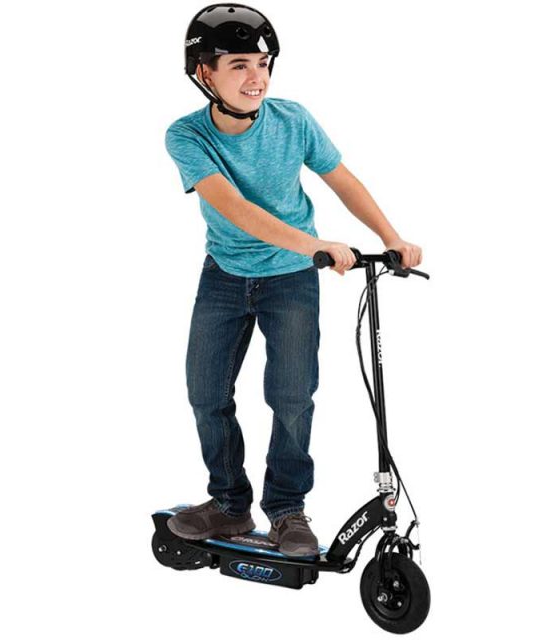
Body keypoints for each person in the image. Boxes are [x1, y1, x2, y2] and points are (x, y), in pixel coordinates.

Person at [164, 3, 423, 557]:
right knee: (206, 393)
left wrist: (392, 236)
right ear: (204, 73)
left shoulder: (293, 120)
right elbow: (235, 209)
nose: (256, 77)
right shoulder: (186, 136)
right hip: (225, 275)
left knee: (291, 397)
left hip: (291, 281)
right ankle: (229, 504)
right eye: (239, 65)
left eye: (262, 64)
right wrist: (316, 245)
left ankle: (286, 510)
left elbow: (342, 180)